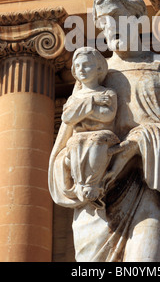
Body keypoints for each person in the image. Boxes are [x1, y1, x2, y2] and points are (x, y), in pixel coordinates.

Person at [49, 0, 160, 262]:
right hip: (98, 205)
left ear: (139, 18)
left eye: (115, 16)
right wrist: (77, 162)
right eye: (102, 22)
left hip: (154, 192)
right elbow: (63, 147)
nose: (108, 27)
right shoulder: (92, 80)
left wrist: (138, 143)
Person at [51, 46, 119, 209]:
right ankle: (81, 185)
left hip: (103, 137)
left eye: (87, 65)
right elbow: (67, 117)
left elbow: (107, 115)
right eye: (78, 66)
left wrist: (80, 112)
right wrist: (93, 102)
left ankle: (92, 185)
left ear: (99, 68)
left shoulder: (109, 93)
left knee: (96, 142)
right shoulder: (77, 97)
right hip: (78, 140)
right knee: (75, 143)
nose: (82, 70)